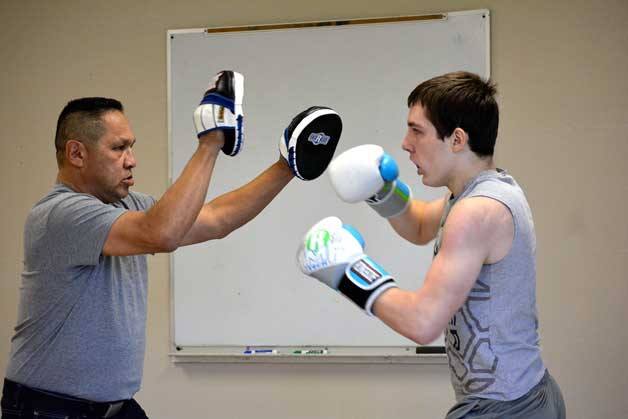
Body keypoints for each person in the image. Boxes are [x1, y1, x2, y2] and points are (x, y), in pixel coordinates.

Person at [1, 70, 342, 418]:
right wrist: (210, 143)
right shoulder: (59, 214)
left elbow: (216, 219)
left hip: (114, 407)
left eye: (131, 147)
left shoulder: (127, 206)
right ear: (76, 153)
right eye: (118, 148)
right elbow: (161, 234)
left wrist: (285, 167)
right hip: (50, 409)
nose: (131, 159)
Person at [298, 71, 566, 418]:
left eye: (417, 130)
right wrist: (382, 191)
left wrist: (347, 270)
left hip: (505, 408)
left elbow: (422, 322)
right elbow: (423, 224)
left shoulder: (477, 211)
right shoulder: (484, 192)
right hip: (524, 395)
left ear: (456, 139)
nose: (406, 143)